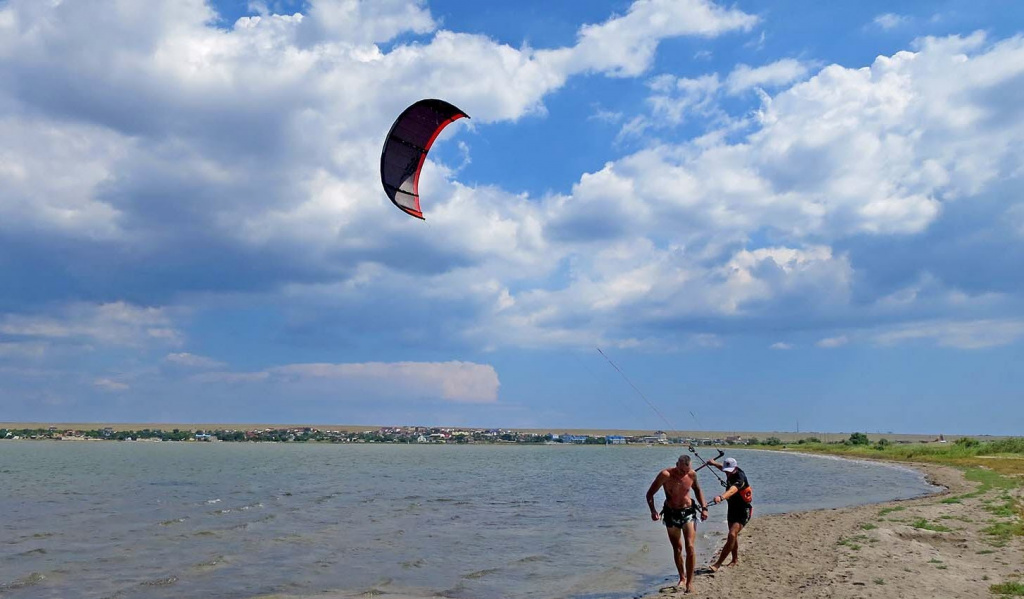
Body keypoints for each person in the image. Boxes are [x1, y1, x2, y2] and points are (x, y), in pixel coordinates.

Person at [646, 454, 708, 593]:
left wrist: (704, 507)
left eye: (686, 471)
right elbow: (649, 494)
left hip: (688, 512)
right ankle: (682, 577)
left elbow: (698, 491)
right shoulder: (665, 475)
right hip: (670, 513)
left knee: (690, 547)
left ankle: (689, 583)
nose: (683, 474)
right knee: (677, 548)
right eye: (681, 471)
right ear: (676, 465)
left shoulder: (692, 474)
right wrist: (653, 511)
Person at [706, 456, 752, 572]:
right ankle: (735, 559)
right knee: (733, 535)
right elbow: (722, 467)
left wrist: (721, 497)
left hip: (743, 510)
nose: (727, 474)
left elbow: (732, 490)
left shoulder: (740, 478)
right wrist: (713, 463)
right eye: (726, 471)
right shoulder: (728, 470)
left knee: (732, 534)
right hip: (732, 508)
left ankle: (717, 564)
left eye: (729, 472)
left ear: (735, 468)